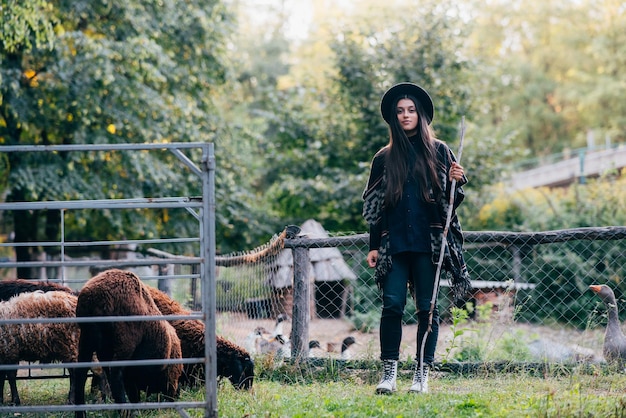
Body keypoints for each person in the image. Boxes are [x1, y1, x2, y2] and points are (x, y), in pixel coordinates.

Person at [362, 82, 471, 394]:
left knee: (428, 308)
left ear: (421, 115)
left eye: (411, 110)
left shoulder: (440, 151)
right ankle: (389, 375)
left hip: (430, 244)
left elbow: (449, 203)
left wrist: (456, 182)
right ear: (394, 118)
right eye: (400, 111)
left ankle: (421, 376)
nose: (405, 115)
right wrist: (373, 245)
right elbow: (374, 205)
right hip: (393, 244)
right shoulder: (383, 158)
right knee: (392, 305)